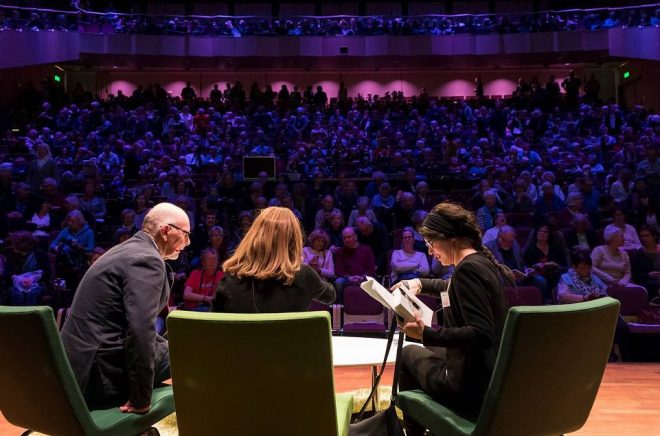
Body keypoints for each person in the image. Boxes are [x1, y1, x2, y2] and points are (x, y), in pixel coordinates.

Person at [391, 203, 513, 435]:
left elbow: (480, 334)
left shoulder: (467, 271)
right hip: (488, 375)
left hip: (469, 389)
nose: (430, 251)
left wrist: (425, 333)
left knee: (408, 354)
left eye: (431, 244)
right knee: (429, 353)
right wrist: (420, 283)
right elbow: (453, 287)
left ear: (451, 239)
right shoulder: (480, 263)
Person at [61, 202, 191, 412]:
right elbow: (140, 331)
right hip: (98, 375)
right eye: (185, 234)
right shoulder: (147, 259)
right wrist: (141, 398)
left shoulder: (125, 250)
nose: (187, 243)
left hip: (77, 368)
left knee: (173, 345)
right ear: (166, 231)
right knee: (194, 351)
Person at [211, 207, 335, 313]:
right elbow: (331, 295)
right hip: (289, 341)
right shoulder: (305, 275)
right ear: (293, 240)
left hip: (243, 341)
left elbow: (215, 322)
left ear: (254, 237)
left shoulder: (231, 278)